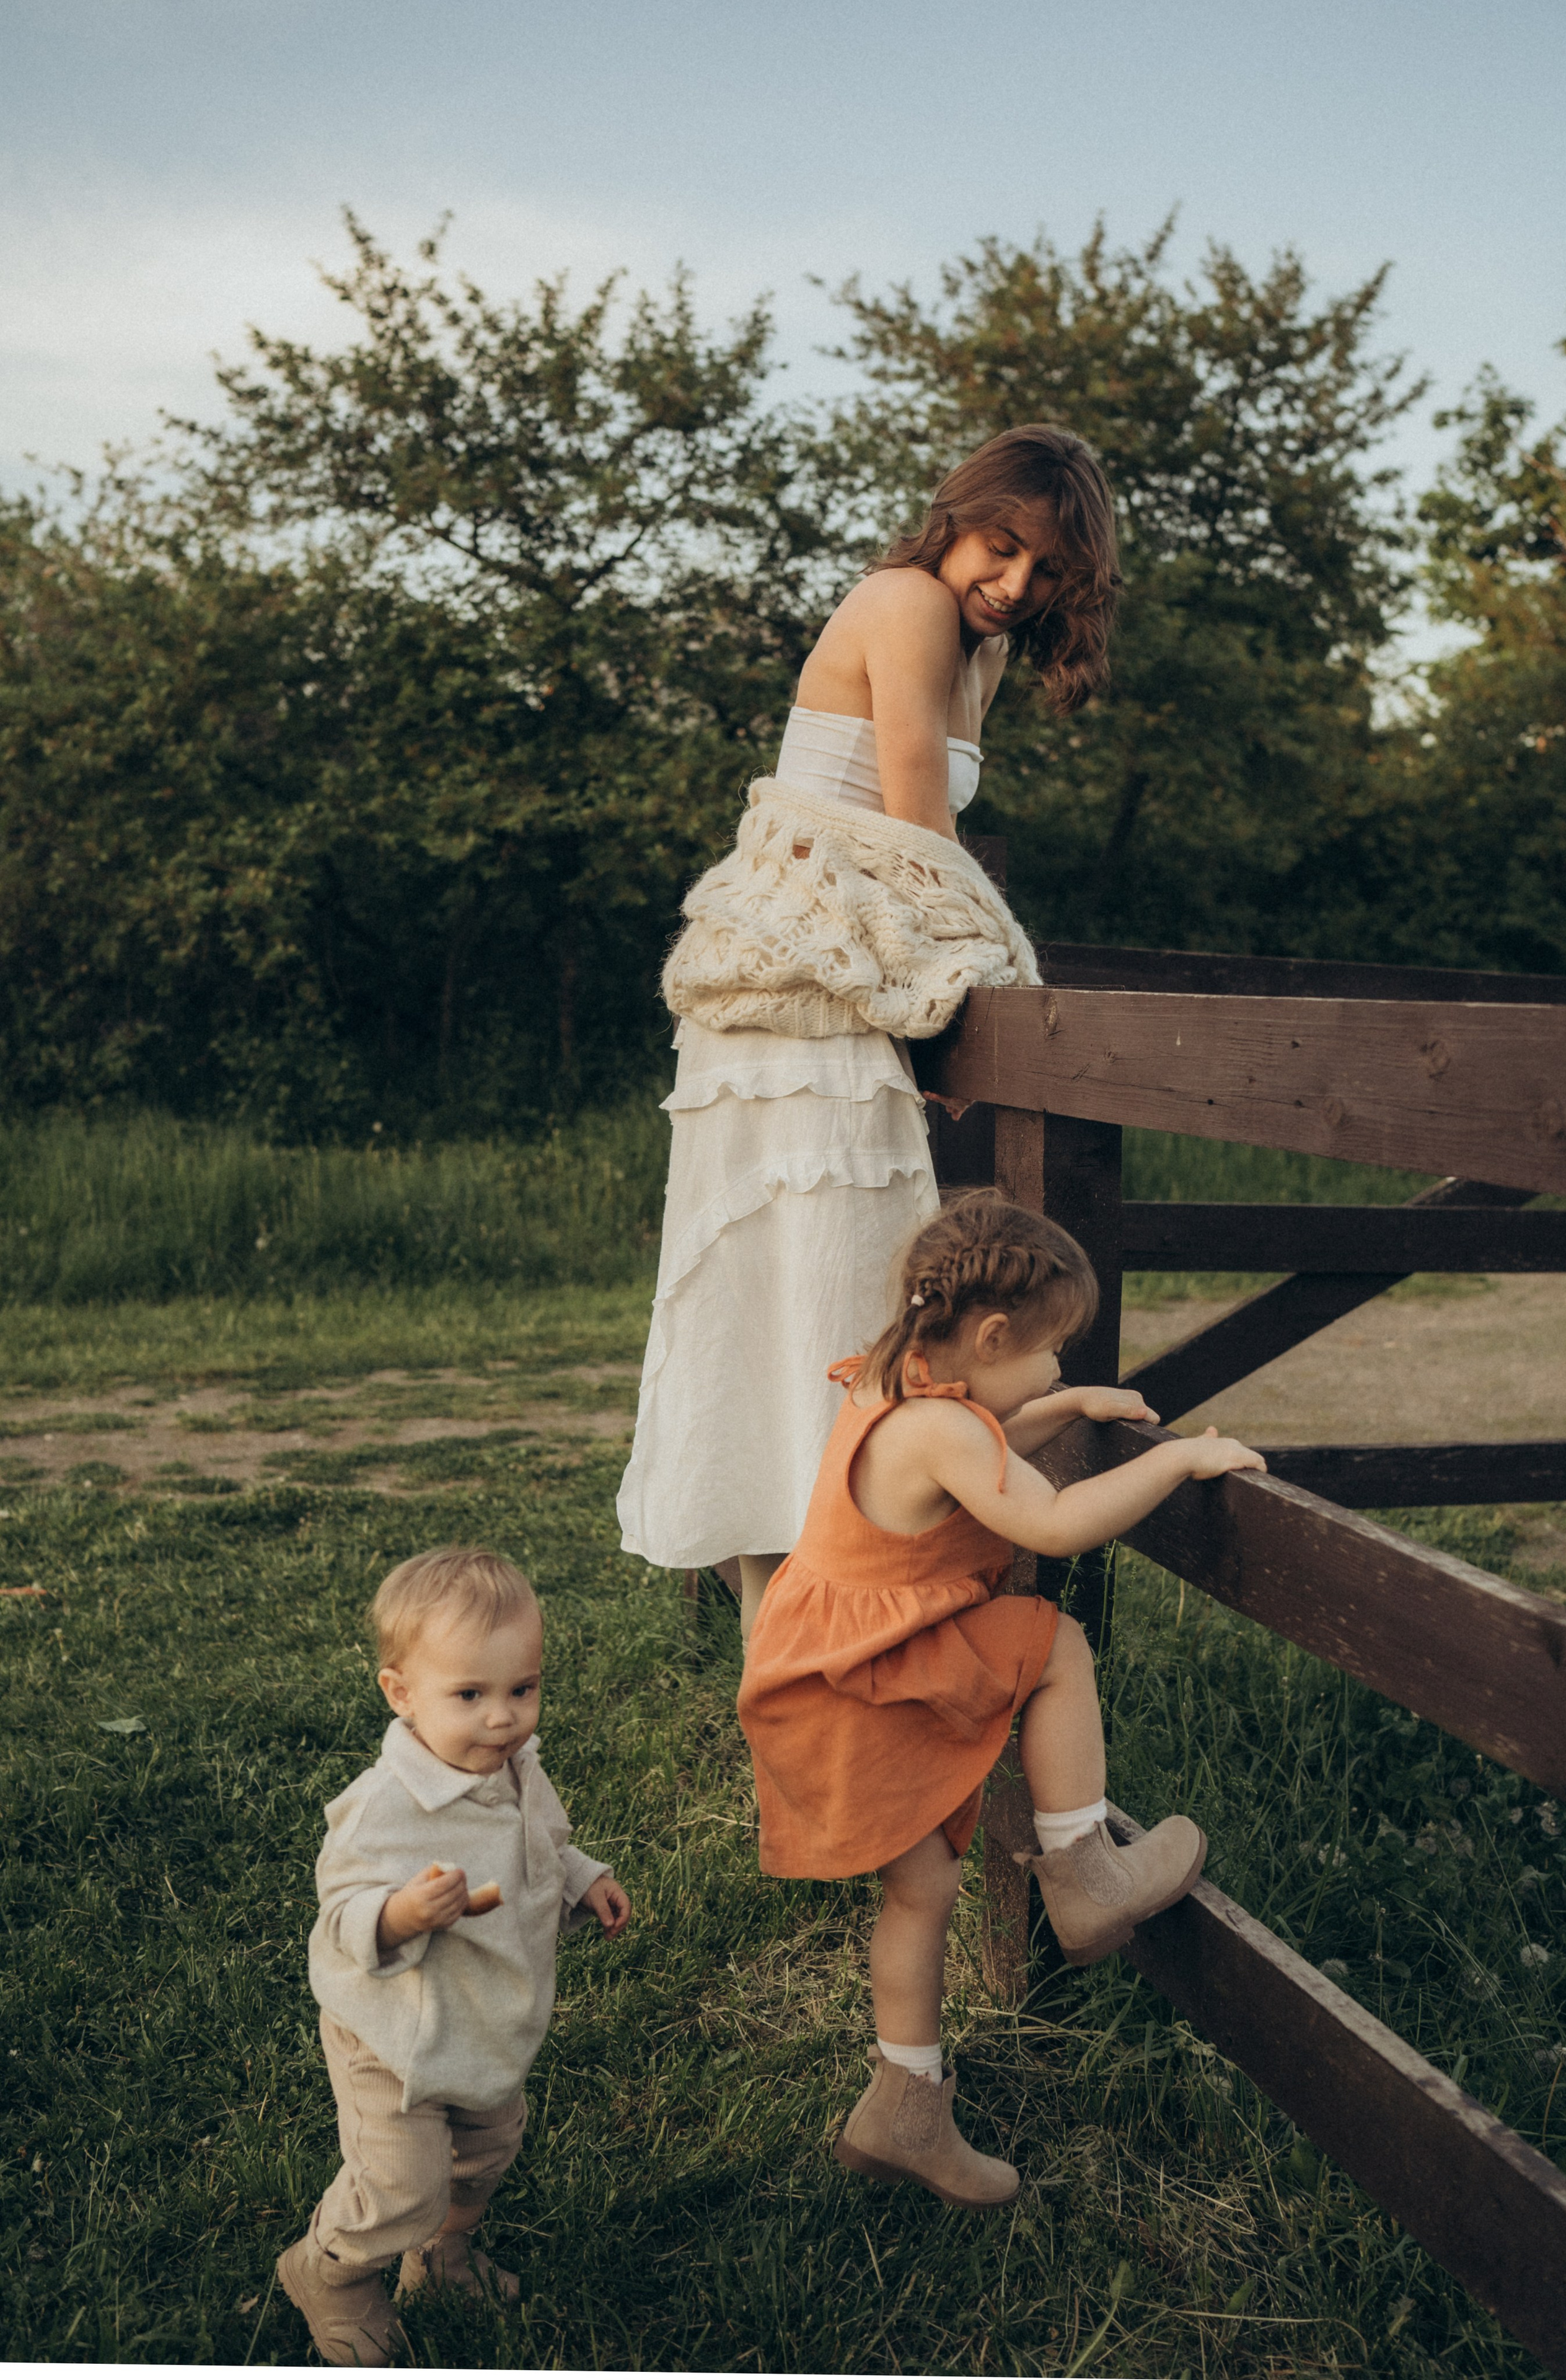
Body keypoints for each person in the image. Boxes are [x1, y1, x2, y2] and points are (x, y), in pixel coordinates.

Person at [617, 425, 1121, 1641]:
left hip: (849, 997)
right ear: (956, 516)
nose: (1012, 586)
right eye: (1000, 548)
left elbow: (911, 870)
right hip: (795, 1012)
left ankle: (830, 1643)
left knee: (841, 1307)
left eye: (1044, 572)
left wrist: (942, 1015)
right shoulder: (904, 601)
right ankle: (793, 1657)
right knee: (799, 1307)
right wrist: (978, 1003)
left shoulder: (974, 651)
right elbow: (911, 841)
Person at [736, 1191, 1266, 2208]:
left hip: (833, 1677)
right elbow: (1057, 1520)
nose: (1059, 1366)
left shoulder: (893, 1380)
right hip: (868, 1684)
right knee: (1055, 1643)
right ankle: (1084, 1873)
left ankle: (904, 2106)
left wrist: (1067, 1407)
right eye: (1054, 1351)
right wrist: (1178, 1457)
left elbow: (989, 1421)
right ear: (987, 1334)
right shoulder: (943, 1428)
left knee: (923, 1889)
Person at [276, 1547, 631, 2367]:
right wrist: (398, 1913)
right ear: (401, 1693)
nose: (503, 1717)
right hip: (394, 2039)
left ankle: (439, 2256)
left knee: (485, 2153)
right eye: (470, 1694)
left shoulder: (513, 1767)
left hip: (482, 2024)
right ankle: (331, 2271)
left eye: (523, 1689)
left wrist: (583, 1878)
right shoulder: (386, 1806)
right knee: (401, 2181)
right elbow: (339, 1917)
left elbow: (539, 1844)